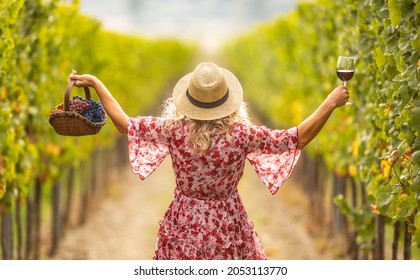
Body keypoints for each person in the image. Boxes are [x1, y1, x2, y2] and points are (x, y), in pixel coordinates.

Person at [69, 62, 349, 259]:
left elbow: (124, 124)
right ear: (227, 100)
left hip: (183, 223)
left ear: (189, 99)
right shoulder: (241, 135)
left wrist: (95, 82)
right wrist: (330, 103)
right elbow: (295, 138)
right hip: (228, 224)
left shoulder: (173, 130)